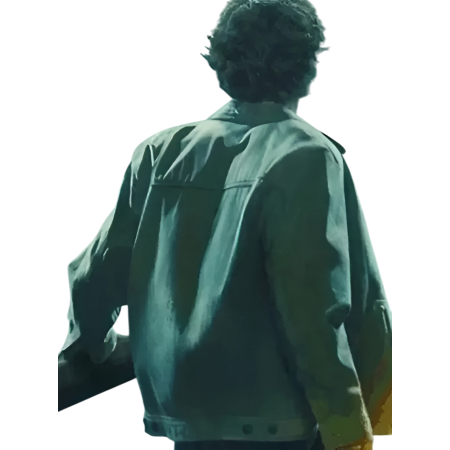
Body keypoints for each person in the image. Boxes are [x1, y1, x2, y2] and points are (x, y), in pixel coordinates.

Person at [58, 1, 392, 449]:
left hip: (188, 424)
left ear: (221, 61)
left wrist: (93, 348)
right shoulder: (307, 156)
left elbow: (92, 276)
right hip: (283, 429)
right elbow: (315, 313)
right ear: (307, 69)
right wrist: (351, 433)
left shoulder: (159, 152)